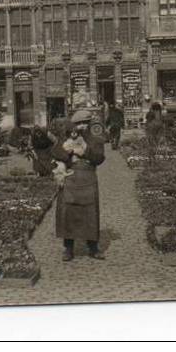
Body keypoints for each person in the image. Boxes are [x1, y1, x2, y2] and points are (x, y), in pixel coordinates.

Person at [51, 109, 106, 261]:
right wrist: (67, 152)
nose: (81, 126)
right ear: (73, 124)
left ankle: (93, 248)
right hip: (71, 177)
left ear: (89, 124)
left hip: (88, 177)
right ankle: (68, 249)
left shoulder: (95, 139)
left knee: (90, 213)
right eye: (78, 123)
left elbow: (100, 158)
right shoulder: (66, 136)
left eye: (84, 123)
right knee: (68, 213)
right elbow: (55, 153)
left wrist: (84, 152)